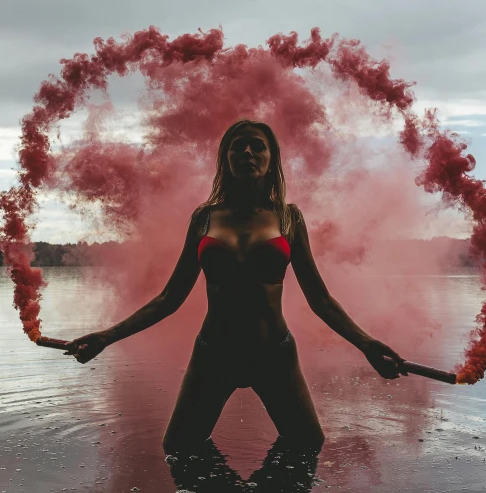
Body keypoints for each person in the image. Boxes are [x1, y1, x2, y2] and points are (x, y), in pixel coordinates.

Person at [65, 119, 406, 453]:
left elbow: (321, 299)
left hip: (274, 353)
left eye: (258, 146)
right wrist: (107, 336)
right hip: (215, 353)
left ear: (271, 160)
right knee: (179, 450)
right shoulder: (205, 218)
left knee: (306, 449)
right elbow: (169, 298)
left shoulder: (289, 217)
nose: (247, 151)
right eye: (237, 146)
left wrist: (367, 344)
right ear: (225, 159)